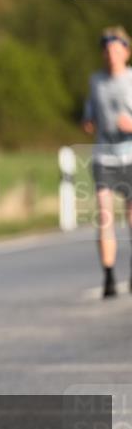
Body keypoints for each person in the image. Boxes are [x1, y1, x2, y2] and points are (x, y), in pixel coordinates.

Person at [82, 25, 132, 299]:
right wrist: (87, 121)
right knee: (104, 215)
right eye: (106, 50)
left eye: (116, 49)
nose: (111, 55)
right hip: (104, 156)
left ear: (126, 51)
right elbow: (89, 111)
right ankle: (109, 275)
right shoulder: (96, 81)